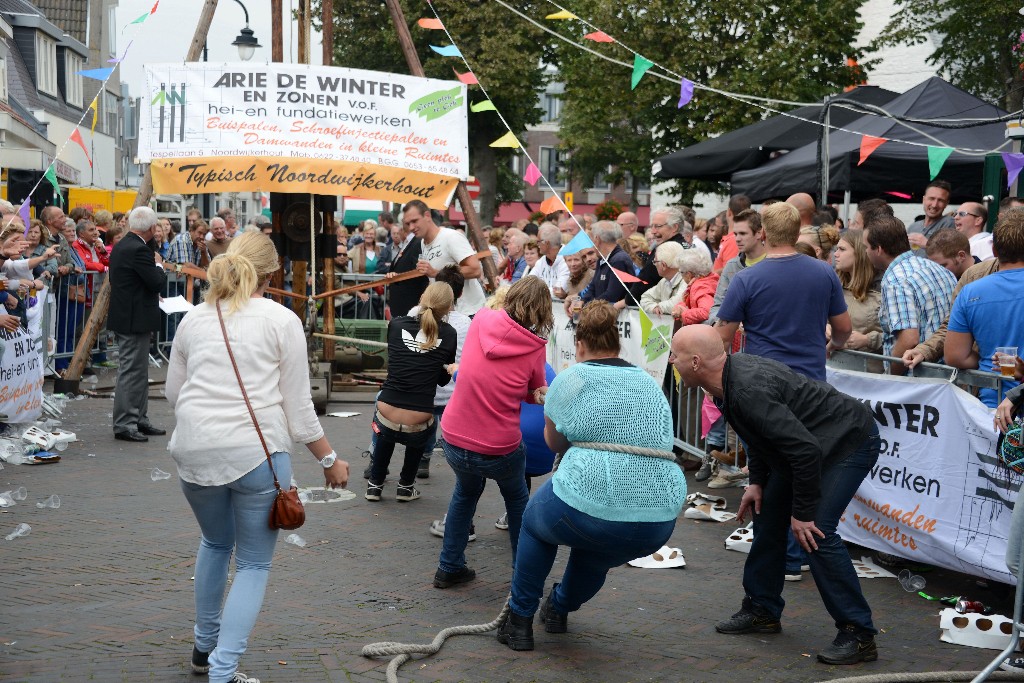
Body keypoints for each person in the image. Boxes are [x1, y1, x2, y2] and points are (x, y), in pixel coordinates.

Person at [167, 231, 349, 683]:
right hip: (256, 452)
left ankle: (203, 647)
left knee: (214, 543)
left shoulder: (194, 319)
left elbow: (174, 393)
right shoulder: (280, 320)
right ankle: (223, 671)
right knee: (252, 564)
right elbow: (299, 408)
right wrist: (329, 460)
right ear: (273, 272)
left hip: (194, 449)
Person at [671, 324, 881, 665]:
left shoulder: (746, 389)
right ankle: (762, 610)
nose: (670, 361)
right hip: (810, 446)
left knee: (816, 533)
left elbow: (804, 452)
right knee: (767, 516)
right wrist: (756, 481)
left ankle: (859, 634)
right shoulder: (725, 381)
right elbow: (758, 433)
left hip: (848, 441)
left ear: (695, 362)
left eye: (675, 356)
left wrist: (802, 512)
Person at [498, 301, 686, 651]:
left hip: (587, 503)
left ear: (579, 346)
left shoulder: (572, 378)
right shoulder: (648, 384)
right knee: (596, 552)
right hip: (657, 518)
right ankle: (558, 608)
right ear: (618, 345)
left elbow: (554, 443)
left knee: (534, 524)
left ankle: (519, 621)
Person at [434, 276, 550, 589]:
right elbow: (531, 393)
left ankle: (449, 566)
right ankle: (522, 575)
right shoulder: (535, 347)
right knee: (517, 501)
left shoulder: (481, 319)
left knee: (466, 491)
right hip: (498, 445)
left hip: (454, 436)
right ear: (543, 312)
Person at [365, 281, 457, 502]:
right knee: (425, 425)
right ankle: (406, 485)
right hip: (419, 416)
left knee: (386, 428)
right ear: (449, 307)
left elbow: (396, 362)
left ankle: (374, 485)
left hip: (387, 409)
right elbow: (444, 381)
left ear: (422, 297)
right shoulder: (450, 333)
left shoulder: (395, 325)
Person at [944, 208, 1024, 407]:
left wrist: (987, 360)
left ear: (995, 252)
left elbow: (955, 356)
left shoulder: (970, 292)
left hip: (990, 403)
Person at [862, 215, 955, 375]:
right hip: (948, 379)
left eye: (866, 247)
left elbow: (909, 339)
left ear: (878, 249)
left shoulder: (895, 280)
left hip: (916, 383)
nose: (865, 252)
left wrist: (891, 375)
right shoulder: (938, 268)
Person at [108, 207, 168, 443]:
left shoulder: (124, 245)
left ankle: (138, 418)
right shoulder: (140, 250)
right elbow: (156, 282)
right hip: (134, 318)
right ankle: (125, 422)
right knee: (131, 372)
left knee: (138, 372)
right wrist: (160, 265)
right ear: (153, 228)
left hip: (130, 315)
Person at [404, 200, 486, 315]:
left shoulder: (451, 237)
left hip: (468, 312)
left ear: (427, 215)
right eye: (408, 224)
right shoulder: (423, 243)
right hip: (446, 313)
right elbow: (436, 278)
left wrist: (436, 273)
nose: (411, 227)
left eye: (414, 221)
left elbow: (475, 270)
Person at [832, 230, 883, 370]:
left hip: (870, 375)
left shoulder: (883, 289)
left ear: (859, 253)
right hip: (834, 369)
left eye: (842, 249)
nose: (835, 254)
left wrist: (868, 340)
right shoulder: (835, 286)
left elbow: (900, 338)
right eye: (836, 249)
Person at [381, 213, 426, 318]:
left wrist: (398, 276)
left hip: (409, 302)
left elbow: (418, 270)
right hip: (400, 302)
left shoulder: (417, 242)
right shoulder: (407, 242)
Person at [639, 241, 688, 315]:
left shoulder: (686, 280)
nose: (654, 264)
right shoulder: (664, 281)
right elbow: (645, 297)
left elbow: (677, 304)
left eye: (655, 261)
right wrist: (653, 307)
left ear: (663, 265)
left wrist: (659, 307)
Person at [671, 249, 718, 325]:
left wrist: (683, 313)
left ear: (688, 274)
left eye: (681, 272)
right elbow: (691, 304)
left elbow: (706, 312)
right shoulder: (709, 279)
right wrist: (680, 307)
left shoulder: (701, 287)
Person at [907, 180, 954, 252]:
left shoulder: (949, 223)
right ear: (924, 200)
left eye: (940, 200)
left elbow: (951, 254)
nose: (934, 205)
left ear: (946, 204)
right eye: (931, 199)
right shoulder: (913, 227)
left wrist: (927, 244)